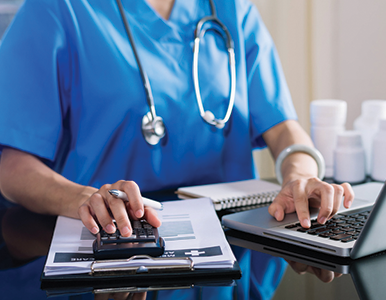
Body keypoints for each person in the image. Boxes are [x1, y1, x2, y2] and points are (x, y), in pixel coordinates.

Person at [0, 0, 354, 238]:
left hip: (231, 246)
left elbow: (283, 128)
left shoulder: (231, 8)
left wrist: (301, 176)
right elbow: (12, 166)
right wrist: (84, 198)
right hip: (114, 238)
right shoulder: (56, 10)